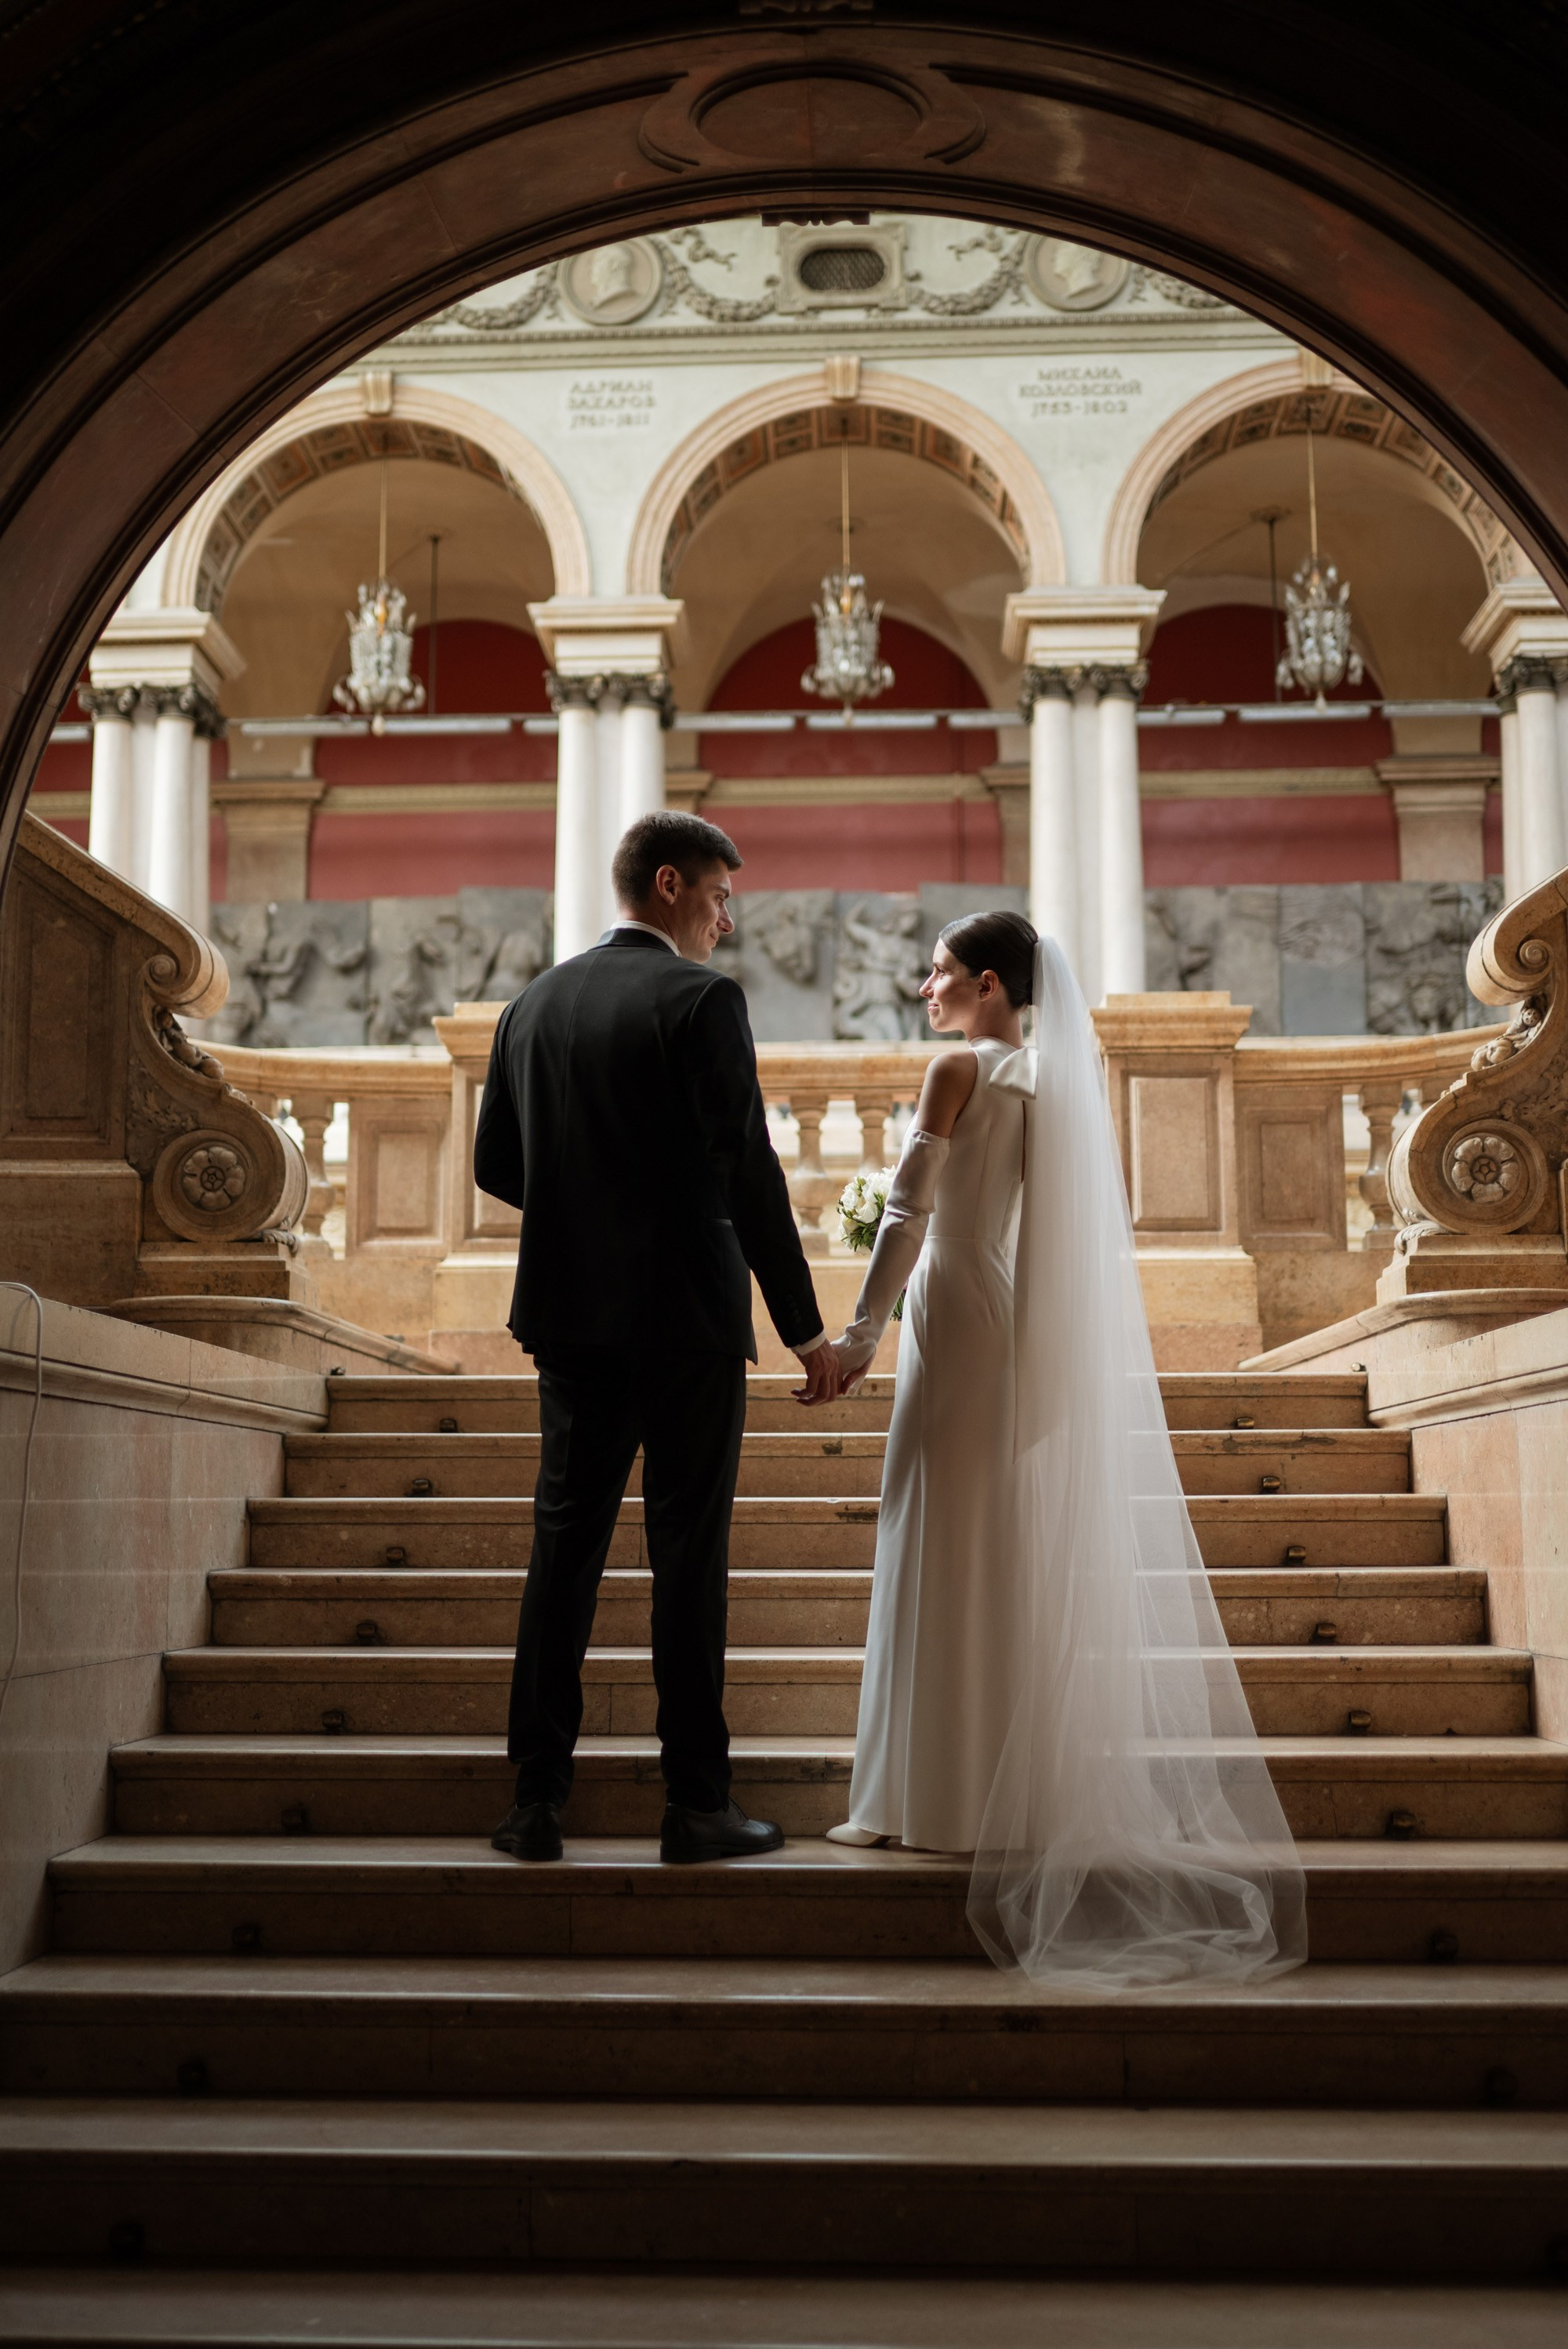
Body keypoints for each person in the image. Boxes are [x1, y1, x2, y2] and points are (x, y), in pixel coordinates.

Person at [828, 910, 1306, 1989]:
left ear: (989, 983)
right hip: (996, 1312)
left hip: (951, 1305)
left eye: (940, 971)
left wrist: (859, 1333)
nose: (925, 987)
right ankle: (993, 1790)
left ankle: (920, 1797)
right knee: (981, 1539)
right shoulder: (1052, 1083)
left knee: (934, 1531)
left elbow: (908, 1210)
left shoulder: (958, 1064)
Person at [474, 810, 842, 1866]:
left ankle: (535, 1803)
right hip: (686, 1321)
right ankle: (696, 1805)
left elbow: (501, 1165)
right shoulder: (701, 999)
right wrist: (802, 1322)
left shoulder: (531, 1004)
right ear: (672, 884)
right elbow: (746, 1171)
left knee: (563, 1555)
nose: (730, 919)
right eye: (722, 896)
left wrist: (585, 1200)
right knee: (688, 1558)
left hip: (571, 1318)